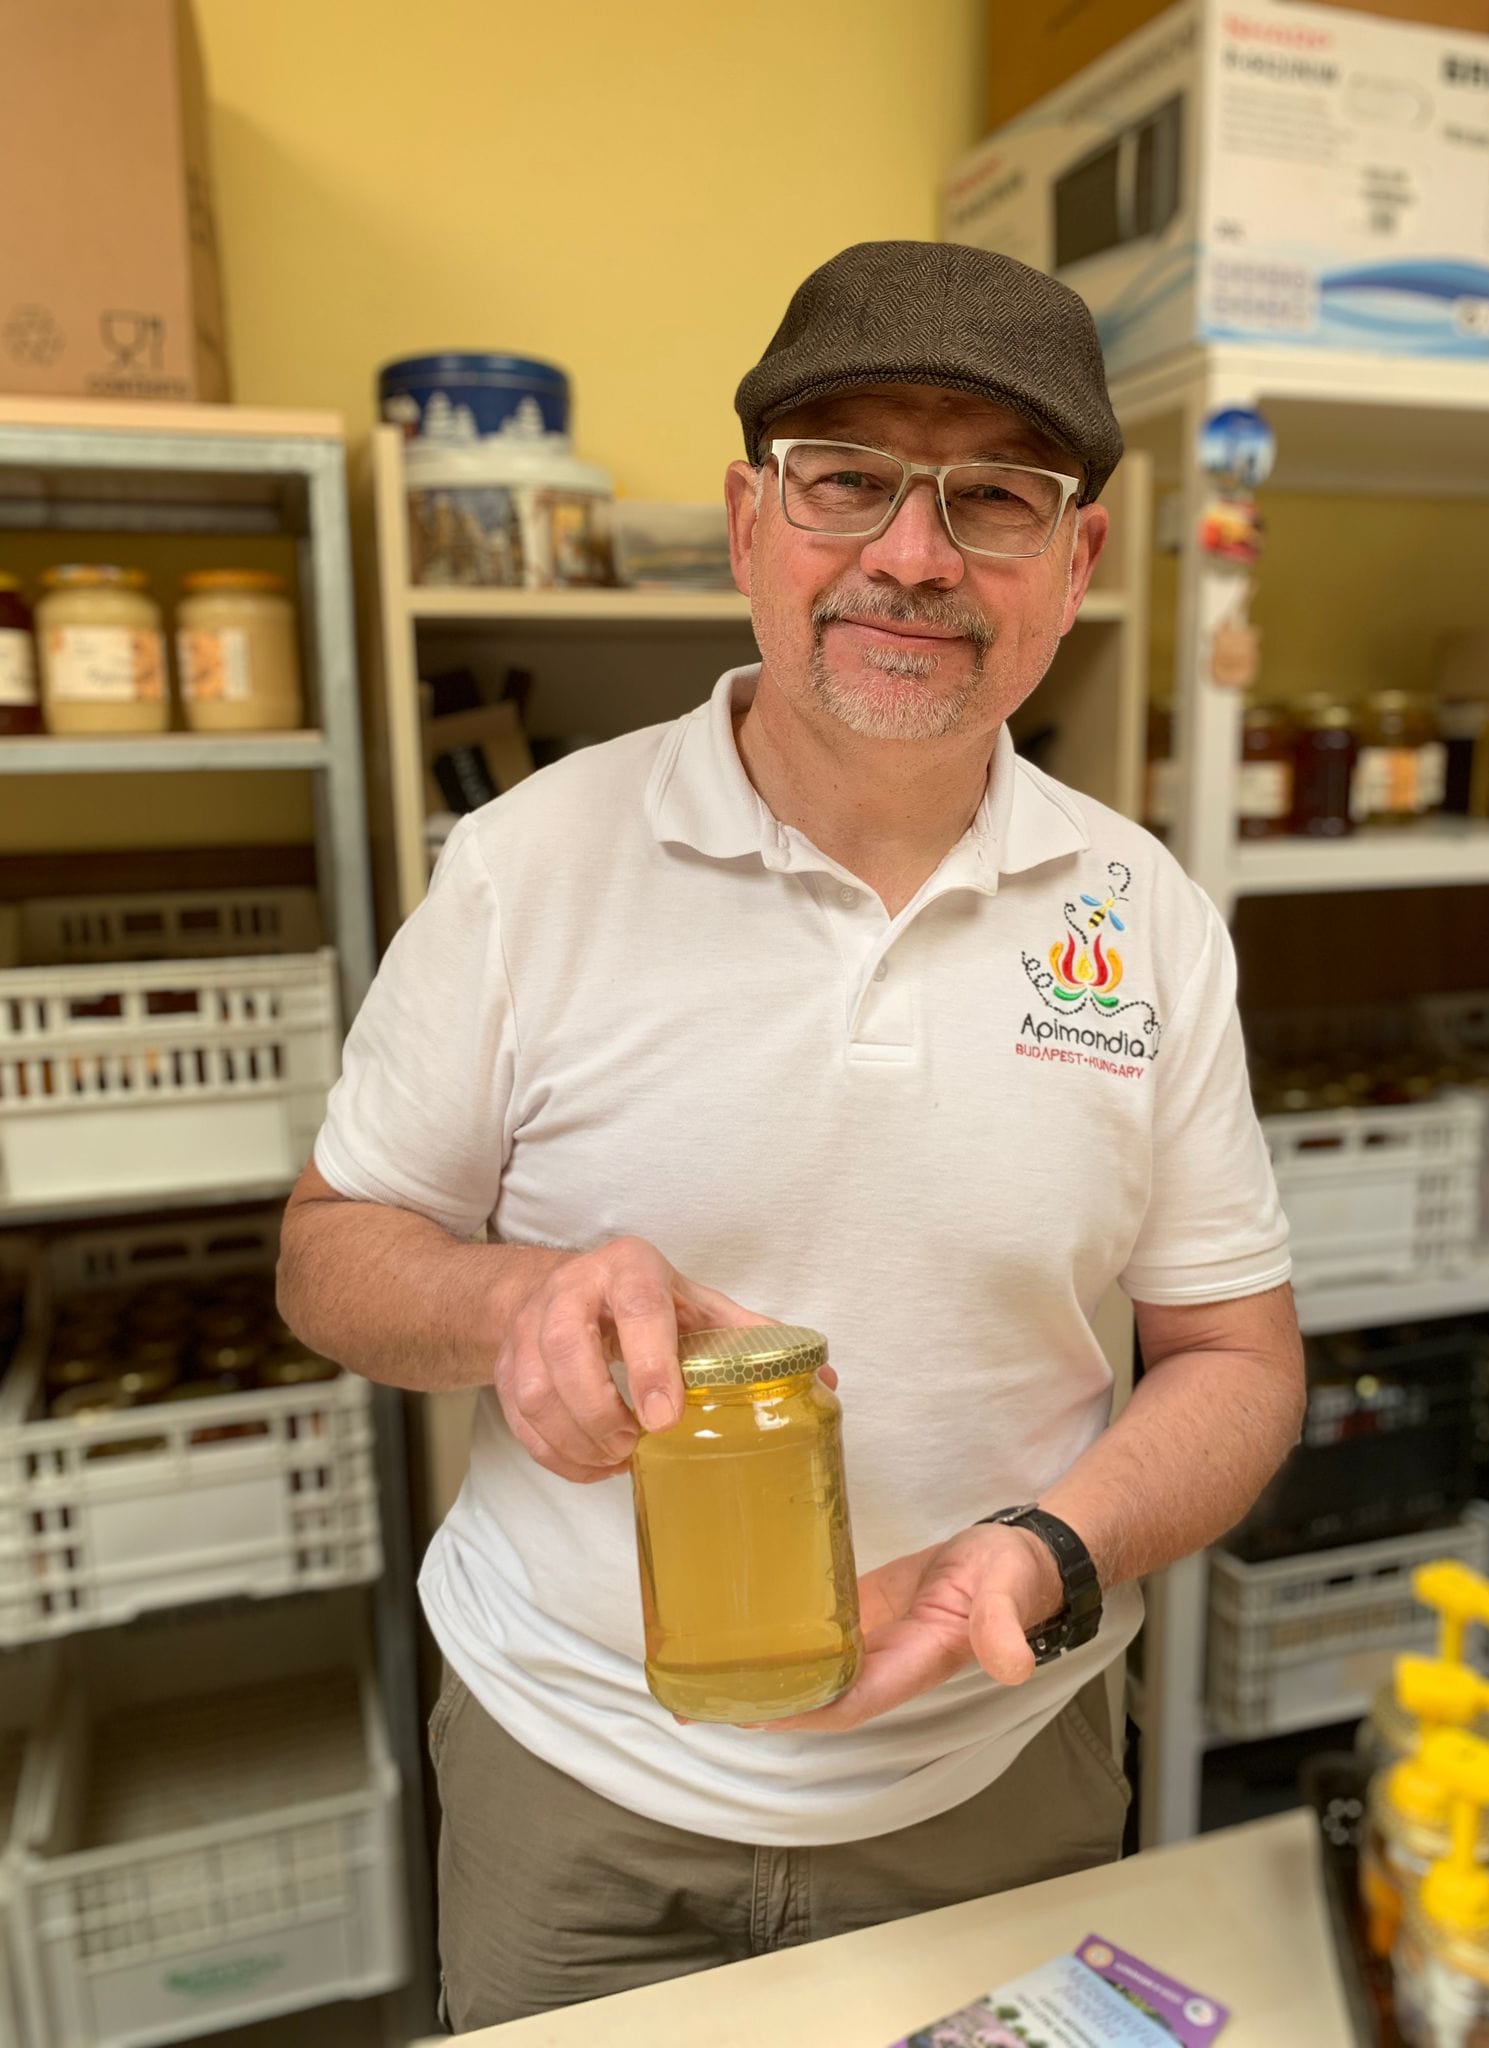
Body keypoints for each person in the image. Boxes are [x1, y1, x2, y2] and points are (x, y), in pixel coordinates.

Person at [277, 240, 1304, 2030]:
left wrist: (1048, 1552)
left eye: (994, 496)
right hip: (579, 1777)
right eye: (848, 480)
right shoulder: (530, 868)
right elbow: (330, 1251)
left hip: (1006, 1776)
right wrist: (515, 1309)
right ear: (754, 526)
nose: (912, 554)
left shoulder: (1148, 921)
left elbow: (1234, 1358)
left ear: (1072, 567)